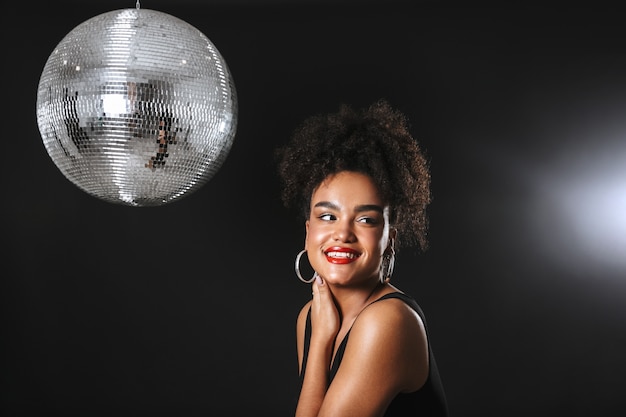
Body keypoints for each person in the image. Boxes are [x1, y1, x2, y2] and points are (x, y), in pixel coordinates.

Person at [275, 99, 449, 417]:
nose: (343, 234)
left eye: (366, 219)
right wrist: (321, 338)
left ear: (389, 240)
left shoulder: (389, 322)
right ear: (307, 231)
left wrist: (322, 341)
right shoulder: (311, 318)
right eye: (328, 217)